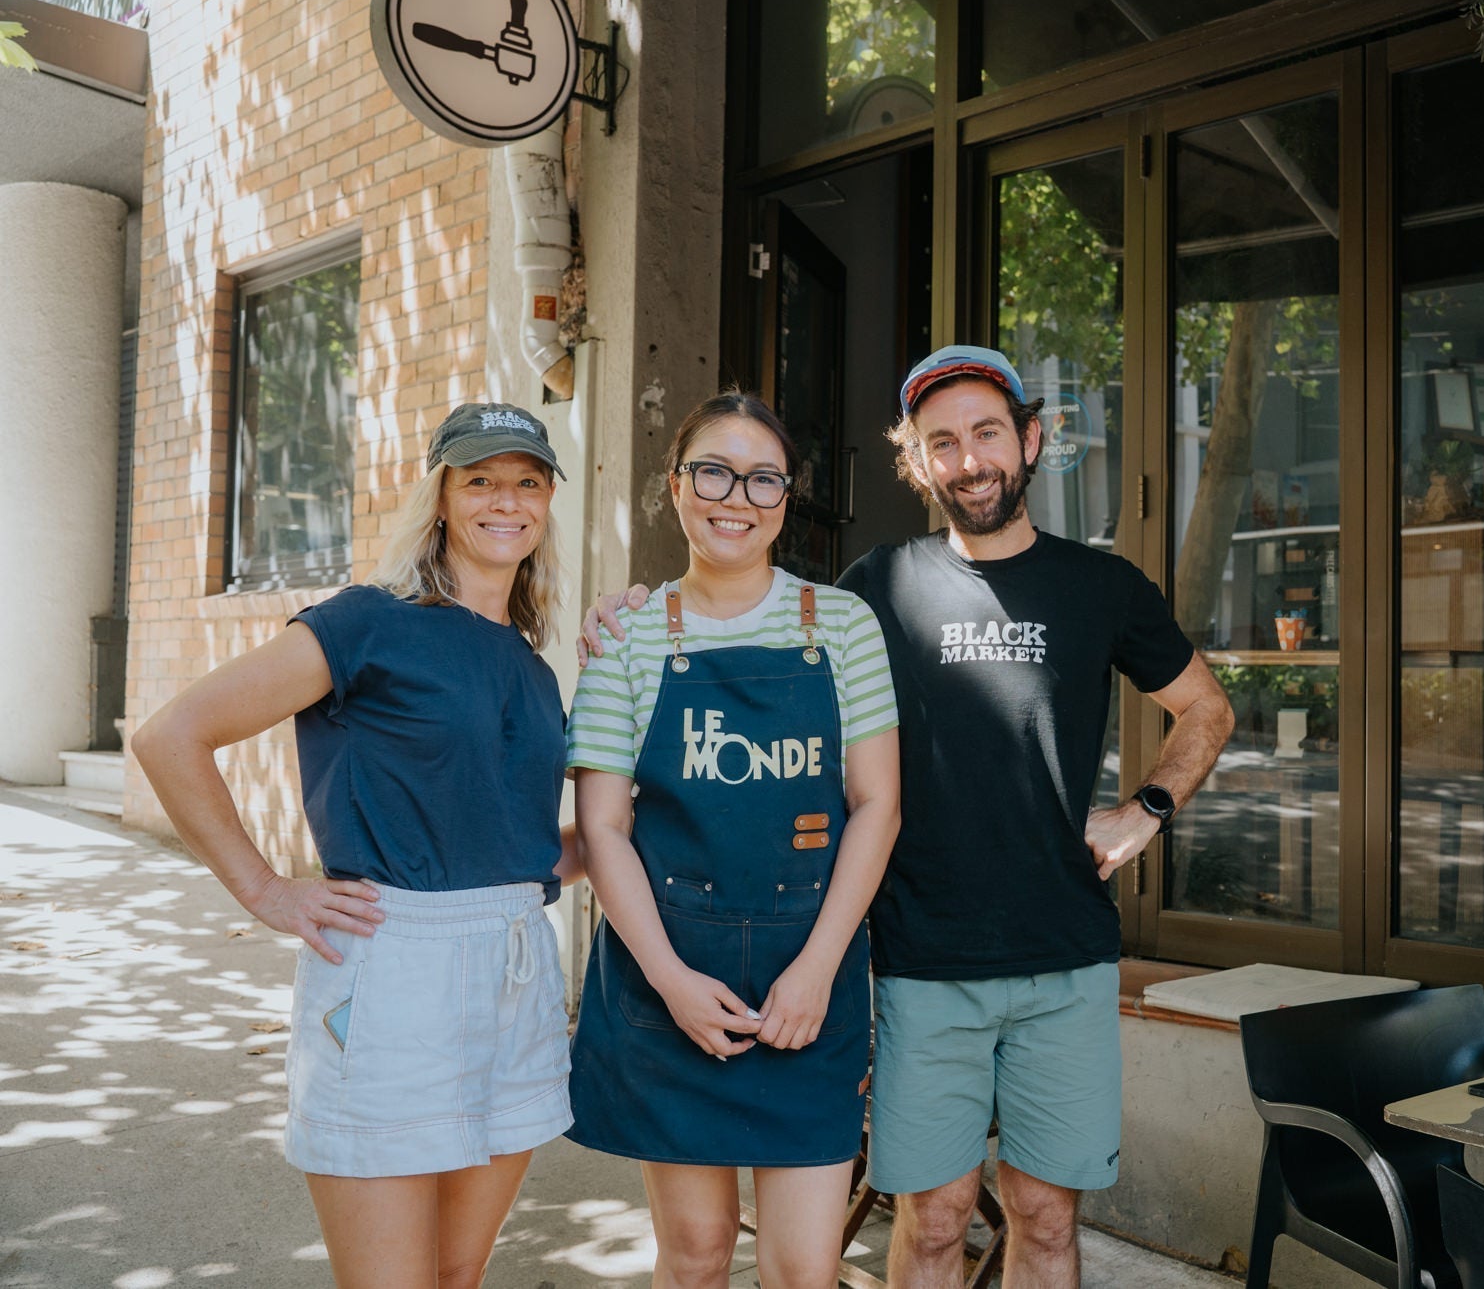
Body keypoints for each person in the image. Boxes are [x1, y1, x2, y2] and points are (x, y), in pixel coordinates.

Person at [582, 346, 1234, 1289]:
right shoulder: (871, 591)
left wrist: (1146, 809)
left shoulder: (1104, 587)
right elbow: (746, 605)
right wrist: (634, 611)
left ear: (1032, 440)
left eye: (987, 434)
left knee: (1047, 1221)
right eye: (943, 443)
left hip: (1067, 955)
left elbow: (1207, 708)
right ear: (917, 463)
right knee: (934, 1219)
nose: (969, 459)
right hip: (923, 957)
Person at [132, 401, 582, 1289]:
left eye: (527, 481)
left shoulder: (532, 666)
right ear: (441, 497)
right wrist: (266, 889)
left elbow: (521, 849)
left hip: (518, 968)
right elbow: (170, 735)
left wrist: (627, 826)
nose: (507, 499)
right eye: (480, 478)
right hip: (392, 975)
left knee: (457, 1277)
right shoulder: (369, 621)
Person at [563, 391, 900, 1289]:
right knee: (698, 1252)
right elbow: (603, 827)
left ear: (786, 500)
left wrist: (818, 968)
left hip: (809, 984)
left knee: (802, 1268)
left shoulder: (844, 626)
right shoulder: (625, 637)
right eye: (713, 470)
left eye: (762, 479)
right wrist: (672, 983)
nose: (735, 497)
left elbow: (879, 806)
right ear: (674, 486)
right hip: (668, 979)